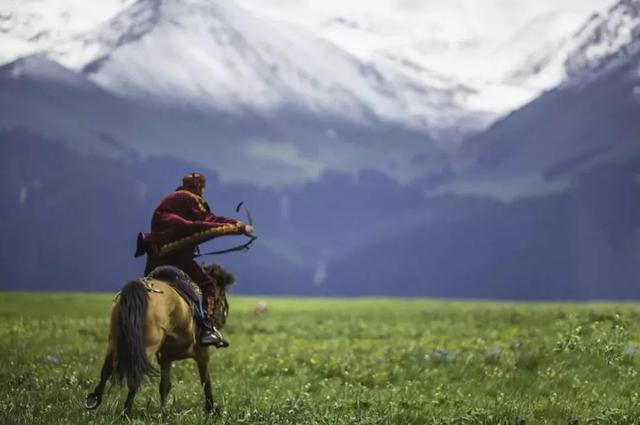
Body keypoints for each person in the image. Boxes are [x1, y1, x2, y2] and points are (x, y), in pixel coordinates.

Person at [134, 172, 254, 347]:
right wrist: (240, 227)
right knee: (208, 285)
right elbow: (209, 220)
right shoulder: (192, 199)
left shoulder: (170, 200)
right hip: (176, 257)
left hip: (154, 257)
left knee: (147, 286)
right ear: (200, 187)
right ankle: (207, 329)